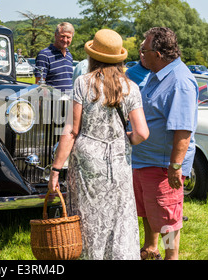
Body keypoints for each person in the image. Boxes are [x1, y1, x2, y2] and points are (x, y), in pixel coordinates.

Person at [49, 29, 149, 260]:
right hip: (119, 161)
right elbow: (142, 132)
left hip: (87, 164)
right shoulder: (131, 87)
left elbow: (72, 130)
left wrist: (55, 170)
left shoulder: (82, 83)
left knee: (89, 219)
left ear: (93, 56)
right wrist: (126, 141)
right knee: (120, 219)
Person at [132, 27, 198, 260]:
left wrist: (176, 166)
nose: (141, 53)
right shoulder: (155, 73)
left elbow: (183, 129)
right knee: (149, 212)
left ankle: (171, 256)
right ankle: (150, 248)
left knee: (168, 220)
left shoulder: (179, 81)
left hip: (162, 166)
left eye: (144, 49)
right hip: (143, 161)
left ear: (158, 54)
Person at [34, 22, 74, 92]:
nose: (65, 40)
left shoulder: (69, 56)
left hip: (68, 101)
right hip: (52, 101)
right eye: (62, 36)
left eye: (68, 37)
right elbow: (39, 84)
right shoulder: (44, 55)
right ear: (55, 35)